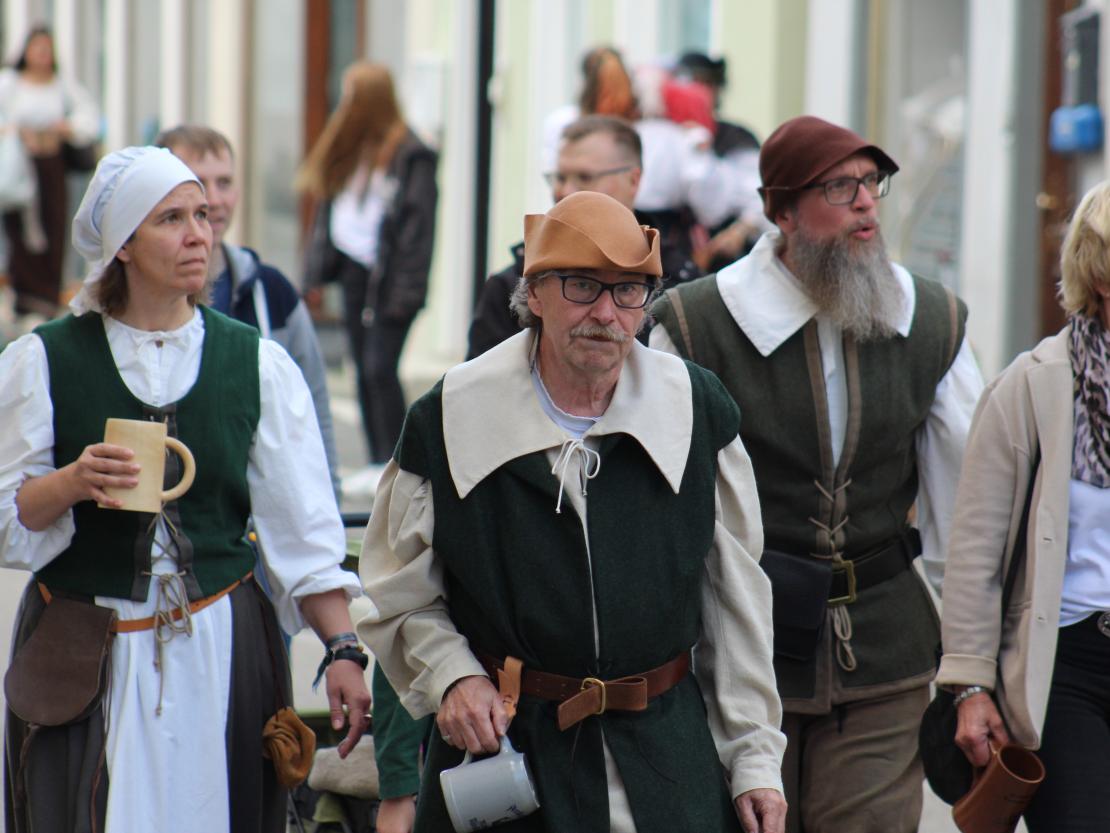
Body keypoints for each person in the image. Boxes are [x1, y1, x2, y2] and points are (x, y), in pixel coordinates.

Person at [359, 190, 787, 833]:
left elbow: (735, 605)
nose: (606, 314)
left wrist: (754, 758)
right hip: (510, 758)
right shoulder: (451, 416)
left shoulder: (694, 411)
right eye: (582, 287)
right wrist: (452, 676)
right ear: (533, 293)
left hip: (666, 761)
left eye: (629, 292)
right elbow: (400, 594)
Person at [0, 146, 371, 833]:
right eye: (171, 218)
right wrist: (73, 481)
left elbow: (304, 537)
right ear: (124, 247)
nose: (199, 232)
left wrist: (343, 650)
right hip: (85, 649)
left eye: (202, 213)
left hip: (219, 652)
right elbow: (8, 516)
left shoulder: (256, 363)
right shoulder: (44, 360)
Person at [649, 115, 984, 833]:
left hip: (885, 646)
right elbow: (657, 509)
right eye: (840, 186)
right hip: (739, 646)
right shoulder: (693, 325)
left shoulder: (932, 323)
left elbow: (969, 513)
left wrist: (972, 666)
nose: (866, 201)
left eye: (872, 182)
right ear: (782, 212)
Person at [936, 180, 1110, 832]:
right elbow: (977, 550)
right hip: (1063, 667)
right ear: (1102, 280)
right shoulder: (1030, 387)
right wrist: (971, 686)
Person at [156, 124, 341, 497]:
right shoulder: (139, 296)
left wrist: (328, 502)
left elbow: (313, 408)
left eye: (225, 182)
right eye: (198, 182)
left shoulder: (271, 293)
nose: (216, 199)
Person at [467, 114, 699, 359]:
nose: (565, 191)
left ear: (633, 180)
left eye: (585, 177)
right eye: (560, 177)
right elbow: (479, 390)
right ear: (535, 294)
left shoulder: (682, 287)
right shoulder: (512, 285)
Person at [298, 62, 438, 464]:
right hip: (354, 270)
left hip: (390, 280)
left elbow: (417, 232)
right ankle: (379, 459)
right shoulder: (350, 147)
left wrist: (406, 292)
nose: (346, 105)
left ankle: (397, 460)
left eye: (353, 96)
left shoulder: (413, 154)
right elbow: (326, 210)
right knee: (362, 367)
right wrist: (315, 274)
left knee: (380, 368)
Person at [0, 25, 99, 319]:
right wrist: (15, 133)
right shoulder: (10, 83)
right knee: (21, 231)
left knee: (54, 226)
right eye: (37, 49)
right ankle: (25, 296)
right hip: (20, 167)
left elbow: (87, 117)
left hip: (51, 168)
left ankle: (46, 295)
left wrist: (65, 128)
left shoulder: (62, 85)